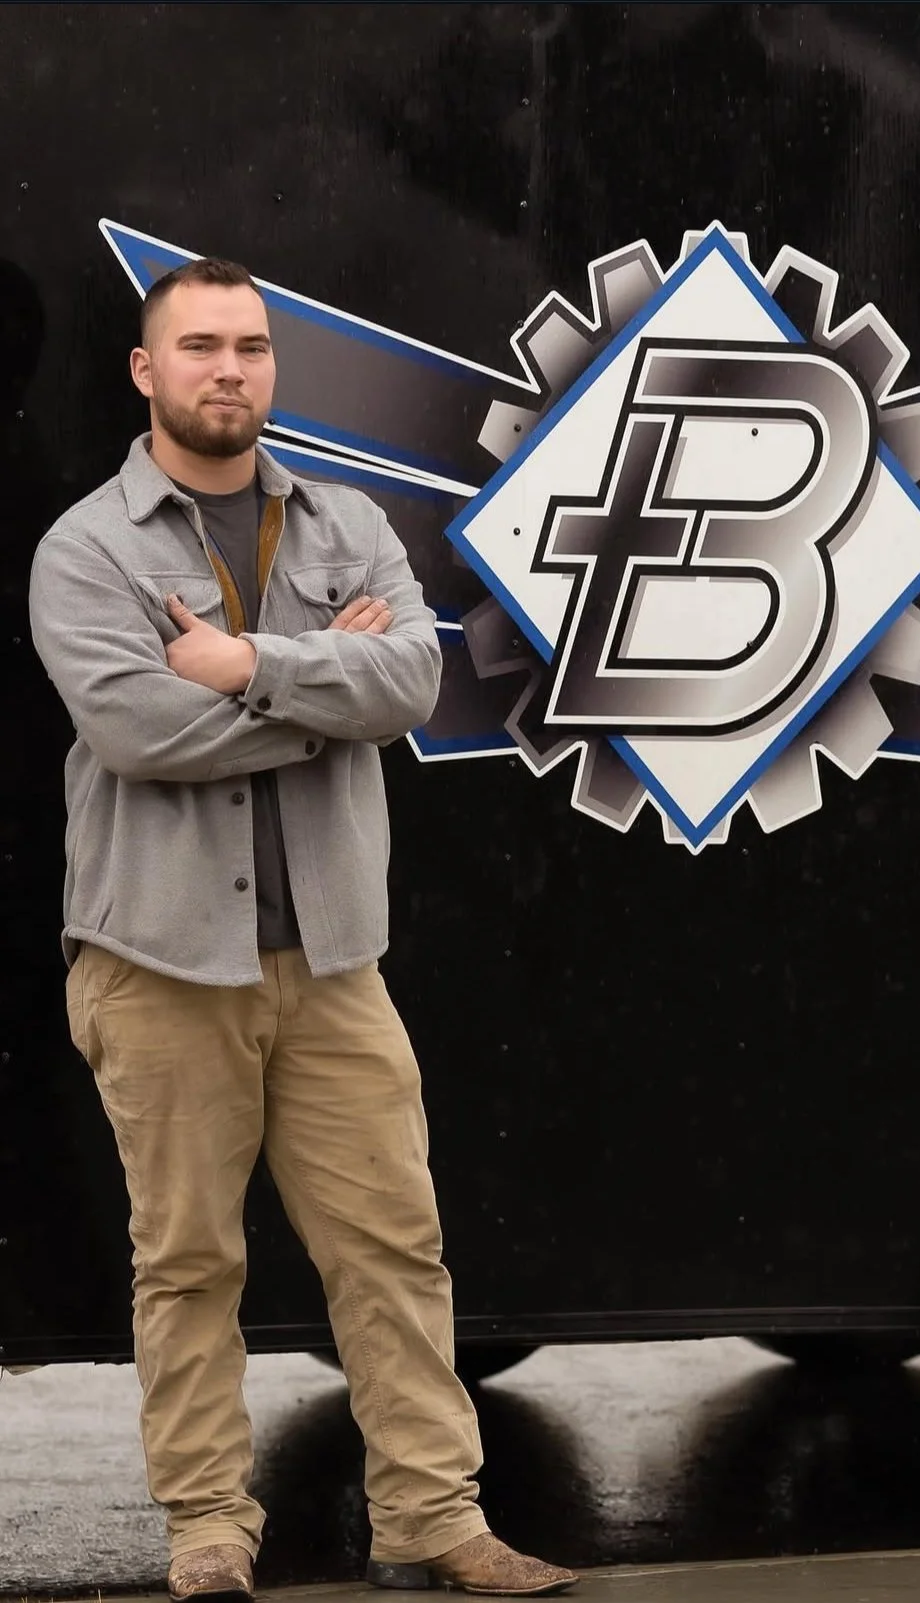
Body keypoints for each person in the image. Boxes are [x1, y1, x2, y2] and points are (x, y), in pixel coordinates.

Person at [27, 257, 579, 1601]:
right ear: (147, 372)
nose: (232, 369)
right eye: (202, 345)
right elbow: (137, 728)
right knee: (191, 1259)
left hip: (334, 964)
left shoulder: (343, 522)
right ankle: (210, 1531)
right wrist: (325, 680)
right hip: (160, 963)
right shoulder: (89, 546)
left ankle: (433, 1516)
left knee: (395, 1247)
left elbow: (412, 680)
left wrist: (248, 663)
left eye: (253, 347)